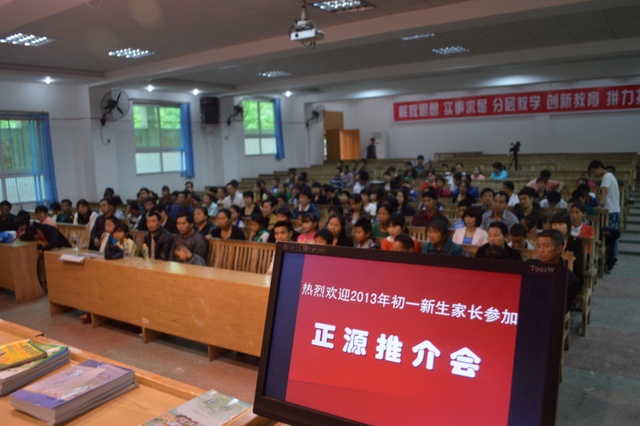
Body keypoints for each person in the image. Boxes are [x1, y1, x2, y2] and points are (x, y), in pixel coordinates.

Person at [533, 229, 581, 312]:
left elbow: (562, 311)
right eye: (538, 246)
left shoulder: (570, 279)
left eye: (546, 246)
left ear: (559, 249)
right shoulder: (531, 267)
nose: (541, 250)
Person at [588, 160, 621, 270]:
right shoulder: (611, 176)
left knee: (610, 236)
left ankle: (611, 259)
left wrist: (600, 204)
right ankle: (613, 258)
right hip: (615, 209)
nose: (594, 174)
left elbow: (605, 191)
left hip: (610, 210)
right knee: (614, 235)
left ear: (599, 168)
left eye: (594, 172)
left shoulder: (606, 177)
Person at [550, 212, 584, 284]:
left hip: (570, 277)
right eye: (554, 224)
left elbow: (577, 265)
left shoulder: (576, 242)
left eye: (560, 224)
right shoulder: (547, 241)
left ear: (568, 225)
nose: (557, 227)